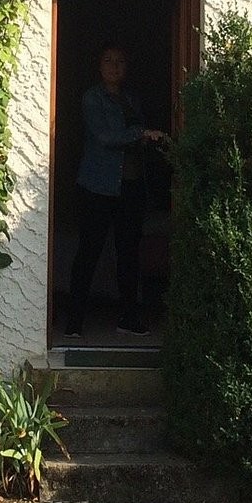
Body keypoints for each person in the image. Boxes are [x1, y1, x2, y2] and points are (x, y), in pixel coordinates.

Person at [62, 43, 165, 339]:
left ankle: (130, 317)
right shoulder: (92, 98)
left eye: (120, 61)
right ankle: (74, 321)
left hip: (130, 187)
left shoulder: (132, 99)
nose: (115, 66)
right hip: (97, 186)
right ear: (99, 65)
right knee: (89, 251)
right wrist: (141, 134)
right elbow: (105, 137)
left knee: (129, 254)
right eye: (108, 60)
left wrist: (146, 139)